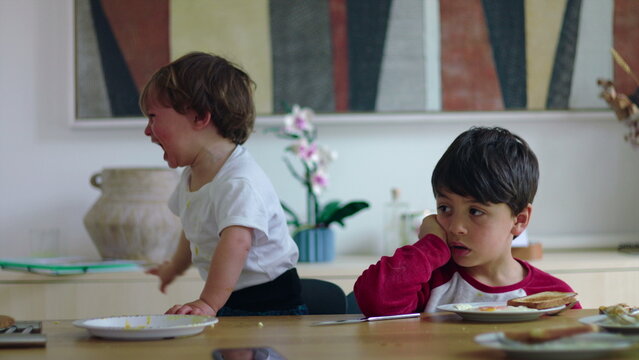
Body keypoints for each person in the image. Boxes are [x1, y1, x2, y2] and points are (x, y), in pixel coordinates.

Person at [140, 52, 307, 316]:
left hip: (271, 307)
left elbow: (237, 243)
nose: (147, 131)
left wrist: (207, 303)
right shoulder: (192, 175)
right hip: (228, 298)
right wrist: (174, 266)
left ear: (199, 117)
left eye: (153, 117)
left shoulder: (239, 181)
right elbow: (192, 228)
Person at [354, 126, 581, 316]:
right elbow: (374, 302)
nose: (455, 227)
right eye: (445, 208)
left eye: (475, 211)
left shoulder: (553, 297)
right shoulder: (429, 283)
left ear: (519, 220)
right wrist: (431, 244)